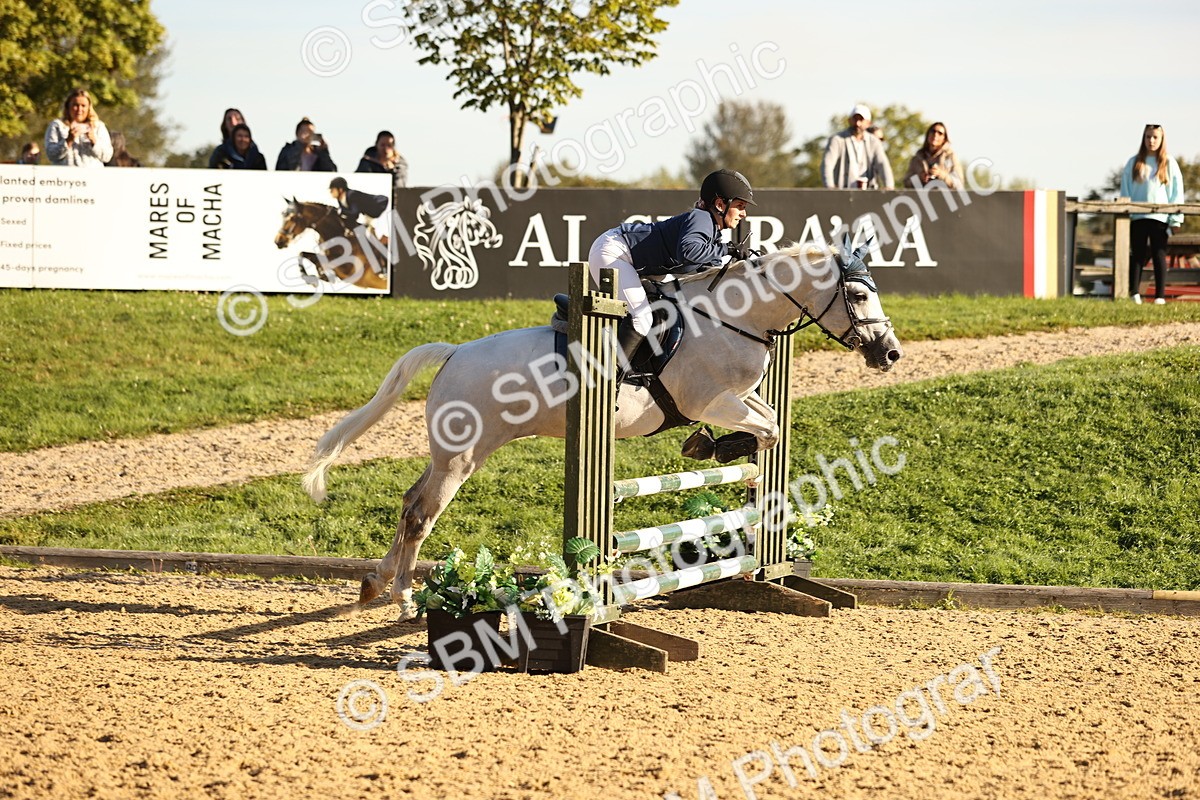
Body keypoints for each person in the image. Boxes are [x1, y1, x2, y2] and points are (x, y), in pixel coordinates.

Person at [587, 169, 756, 371]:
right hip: (616, 253)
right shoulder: (701, 218)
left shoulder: (712, 233)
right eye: (740, 207)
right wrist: (728, 249)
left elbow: (711, 275)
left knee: (671, 306)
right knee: (642, 318)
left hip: (638, 263)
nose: (743, 214)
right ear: (720, 204)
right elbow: (688, 251)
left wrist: (745, 269)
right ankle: (608, 377)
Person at [1120, 124, 1185, 304]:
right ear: (1144, 138)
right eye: (1148, 137)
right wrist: (1126, 212)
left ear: (1162, 139)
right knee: (1137, 254)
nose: (1151, 141)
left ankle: (1160, 296)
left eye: (1155, 137)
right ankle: (1134, 293)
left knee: (1159, 254)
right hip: (1137, 216)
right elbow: (1125, 189)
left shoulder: (1169, 162)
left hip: (1160, 217)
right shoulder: (1133, 162)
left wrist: (1176, 219)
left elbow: (1176, 191)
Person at [821, 104, 894, 189]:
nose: (857, 123)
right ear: (849, 120)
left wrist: (889, 186)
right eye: (855, 119)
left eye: (861, 120)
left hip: (868, 192)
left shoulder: (874, 142)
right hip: (843, 192)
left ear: (868, 123)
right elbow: (827, 164)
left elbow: (883, 165)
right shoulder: (838, 140)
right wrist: (830, 187)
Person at [329, 177, 390, 272]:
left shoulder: (351, 195)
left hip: (383, 208)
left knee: (378, 238)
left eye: (332, 190)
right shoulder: (340, 200)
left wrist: (340, 212)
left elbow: (355, 213)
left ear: (340, 189)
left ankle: (386, 267)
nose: (330, 192)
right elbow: (350, 217)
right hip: (371, 215)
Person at [44, 88, 113, 167]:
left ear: (89, 108)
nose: (79, 109)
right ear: (68, 106)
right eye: (75, 105)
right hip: (65, 174)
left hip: (92, 173)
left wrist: (94, 141)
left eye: (83, 106)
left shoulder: (98, 126)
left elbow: (107, 157)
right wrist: (68, 141)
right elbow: (51, 155)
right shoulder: (57, 126)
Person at [903, 122, 964, 190]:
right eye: (933, 131)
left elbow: (959, 185)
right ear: (928, 135)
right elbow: (906, 182)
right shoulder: (917, 158)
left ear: (944, 138)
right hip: (921, 195)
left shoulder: (950, 157)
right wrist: (919, 178)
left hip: (944, 196)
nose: (935, 135)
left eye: (940, 133)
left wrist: (941, 174)